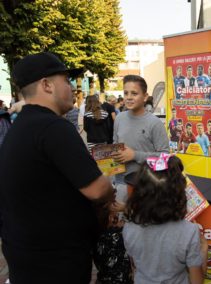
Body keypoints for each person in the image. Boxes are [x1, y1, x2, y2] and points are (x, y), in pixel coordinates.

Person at [0, 52, 114, 283]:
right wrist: (110, 187)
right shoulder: (53, 128)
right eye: (66, 80)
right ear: (47, 85)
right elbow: (97, 190)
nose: (72, 87)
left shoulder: (22, 125)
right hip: (55, 263)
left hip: (27, 255)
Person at [123, 155, 208, 284]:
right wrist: (204, 250)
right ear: (179, 193)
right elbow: (197, 280)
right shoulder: (189, 231)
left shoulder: (129, 228)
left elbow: (135, 265)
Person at [112, 75, 169, 202]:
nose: (129, 97)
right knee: (123, 220)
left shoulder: (155, 124)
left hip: (147, 184)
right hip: (121, 181)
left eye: (134, 93)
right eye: (126, 93)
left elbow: (164, 159)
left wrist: (135, 155)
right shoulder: (119, 118)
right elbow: (115, 144)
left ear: (145, 96)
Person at [93, 199, 133, 284]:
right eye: (117, 216)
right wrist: (126, 208)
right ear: (111, 218)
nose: (120, 219)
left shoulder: (95, 236)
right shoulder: (119, 235)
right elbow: (140, 220)